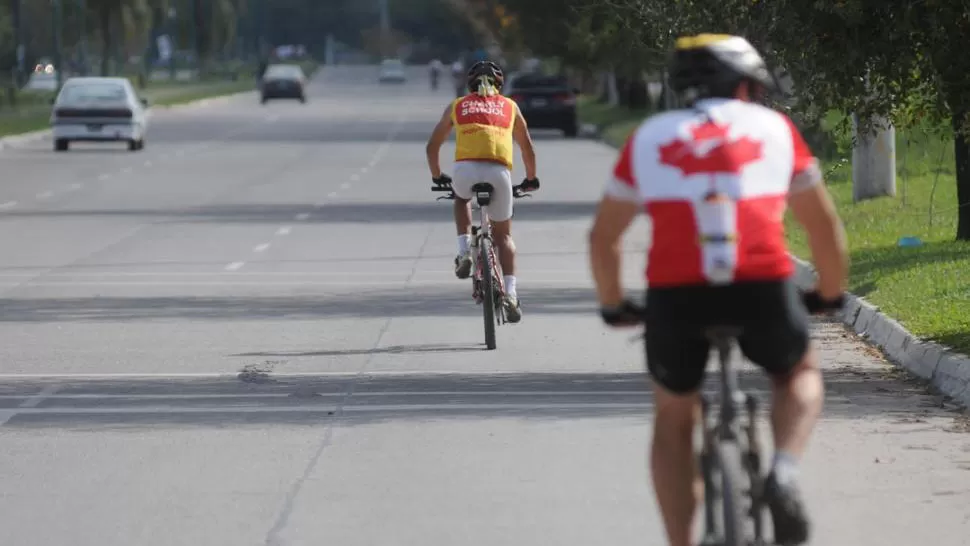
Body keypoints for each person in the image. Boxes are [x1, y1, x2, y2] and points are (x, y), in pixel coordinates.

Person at [587, 34, 848, 546]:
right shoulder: (776, 129)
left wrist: (614, 304)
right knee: (799, 370)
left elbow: (604, 238)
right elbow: (822, 227)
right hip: (762, 284)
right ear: (748, 84)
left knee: (674, 412)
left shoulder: (649, 136)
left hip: (676, 293)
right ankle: (785, 474)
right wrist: (830, 294)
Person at [425, 60, 540, 323]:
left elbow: (432, 146)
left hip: (465, 172)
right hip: (499, 173)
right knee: (504, 236)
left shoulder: (457, 106)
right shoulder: (510, 107)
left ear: (470, 83)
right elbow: (527, 148)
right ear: (500, 84)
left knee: (461, 198)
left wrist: (436, 175)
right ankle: (511, 294)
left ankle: (464, 250)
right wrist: (531, 178)